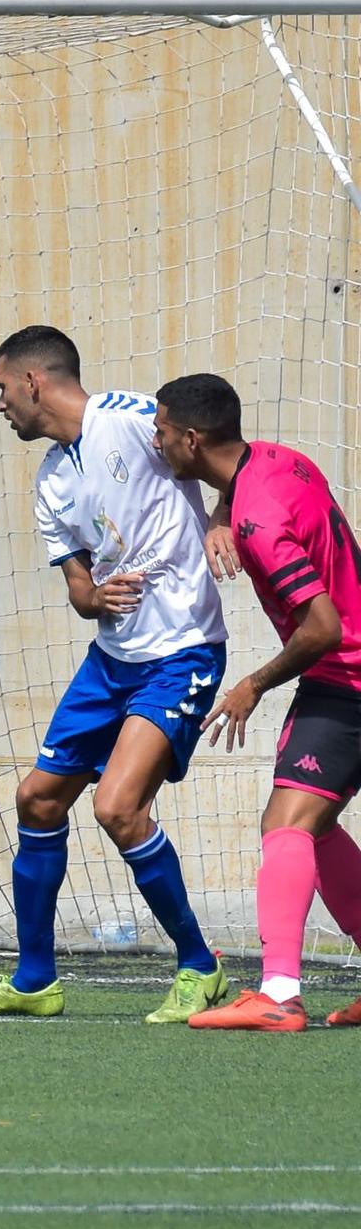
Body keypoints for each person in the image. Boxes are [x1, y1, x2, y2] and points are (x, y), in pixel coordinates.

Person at [0, 326, 229, 1023]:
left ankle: (200, 965)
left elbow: (229, 459)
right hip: (111, 660)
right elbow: (77, 589)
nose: (1, 405)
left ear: (33, 381)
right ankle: (35, 979)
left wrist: (222, 516)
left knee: (116, 808)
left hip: (183, 651)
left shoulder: (134, 422)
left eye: (3, 388)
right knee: (38, 800)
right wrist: (92, 596)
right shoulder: (51, 481)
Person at [152, 373, 361, 1030]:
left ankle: (278, 994)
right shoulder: (279, 460)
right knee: (312, 823)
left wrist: (252, 684)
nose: (156, 442)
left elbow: (322, 625)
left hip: (347, 677)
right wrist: (219, 518)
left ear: (191, 438)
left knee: (287, 825)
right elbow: (244, 487)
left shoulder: (259, 522)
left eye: (162, 432)